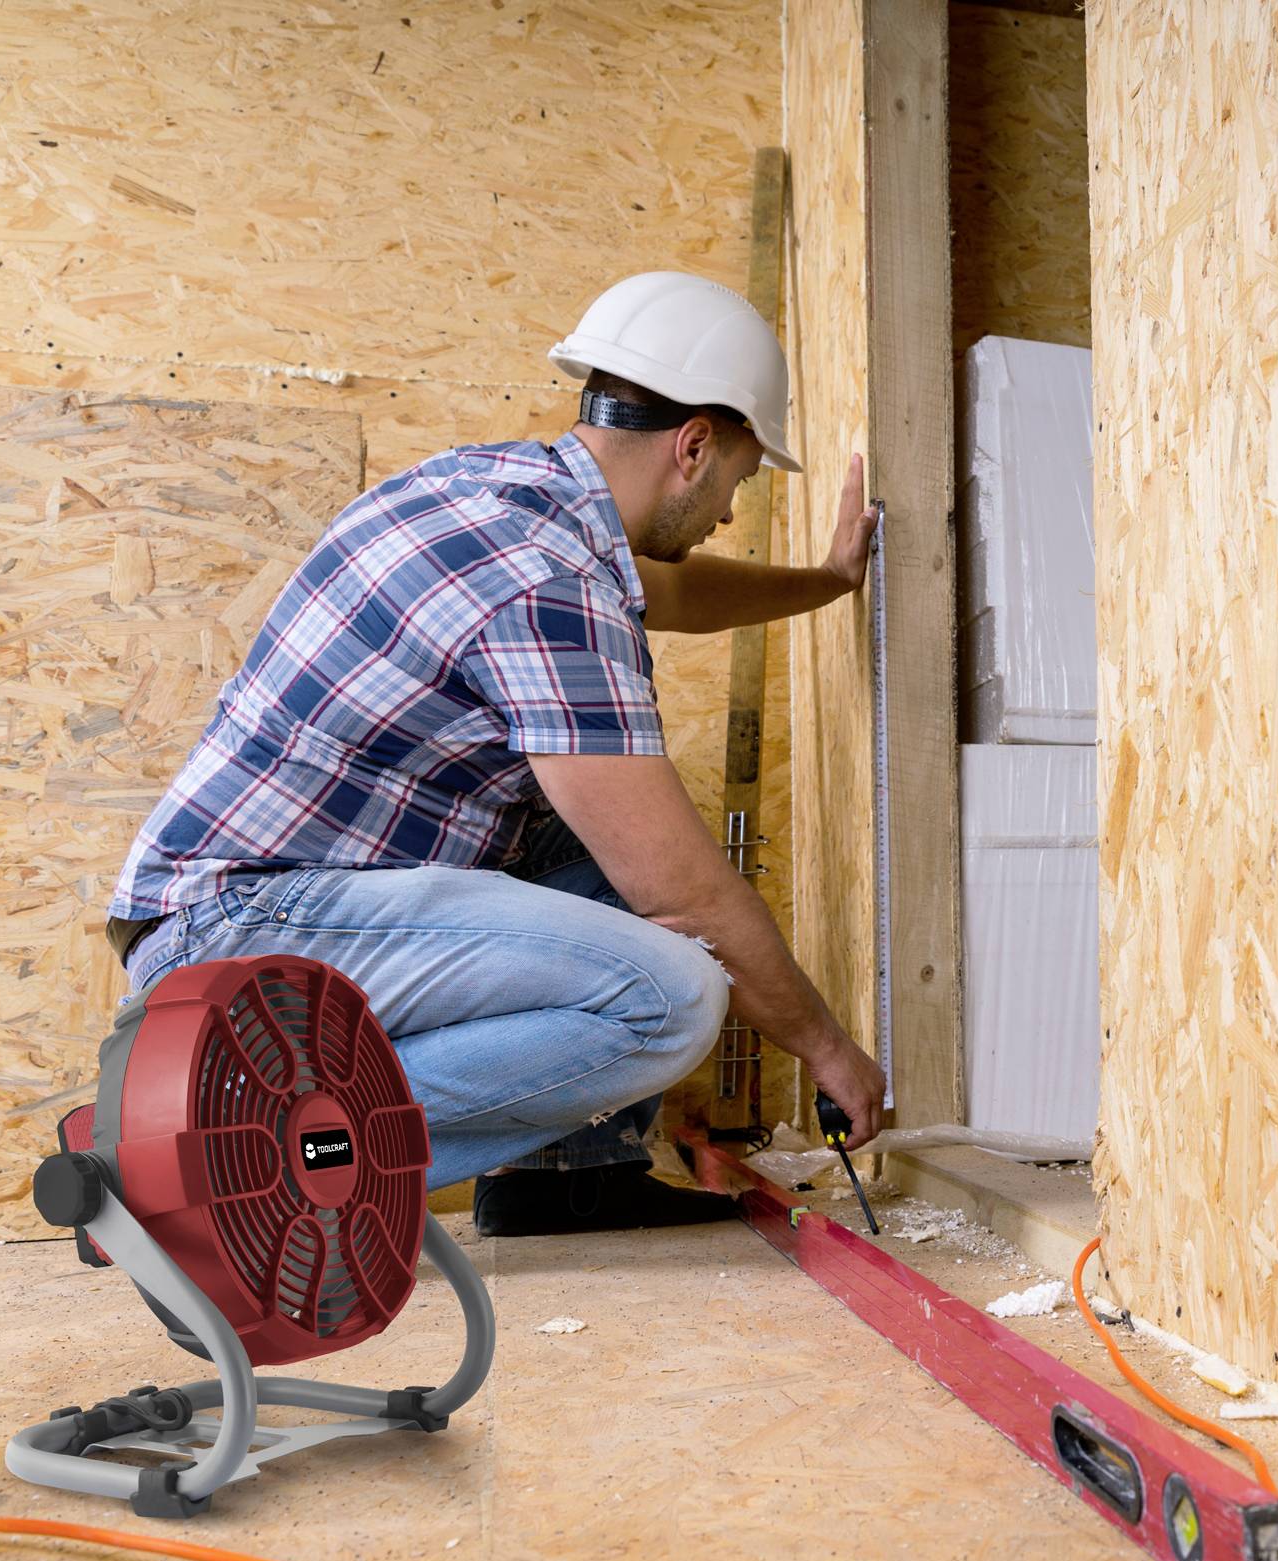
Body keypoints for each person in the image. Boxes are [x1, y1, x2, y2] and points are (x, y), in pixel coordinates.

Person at [103, 272, 887, 1236]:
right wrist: (828, 1048)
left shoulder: (499, 491)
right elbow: (682, 895)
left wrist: (829, 583)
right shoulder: (548, 582)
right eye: (739, 477)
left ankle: (562, 1177)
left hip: (240, 905)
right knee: (675, 990)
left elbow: (672, 595)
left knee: (587, 832)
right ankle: (244, 1156)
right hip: (240, 930)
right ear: (693, 446)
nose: (729, 510)